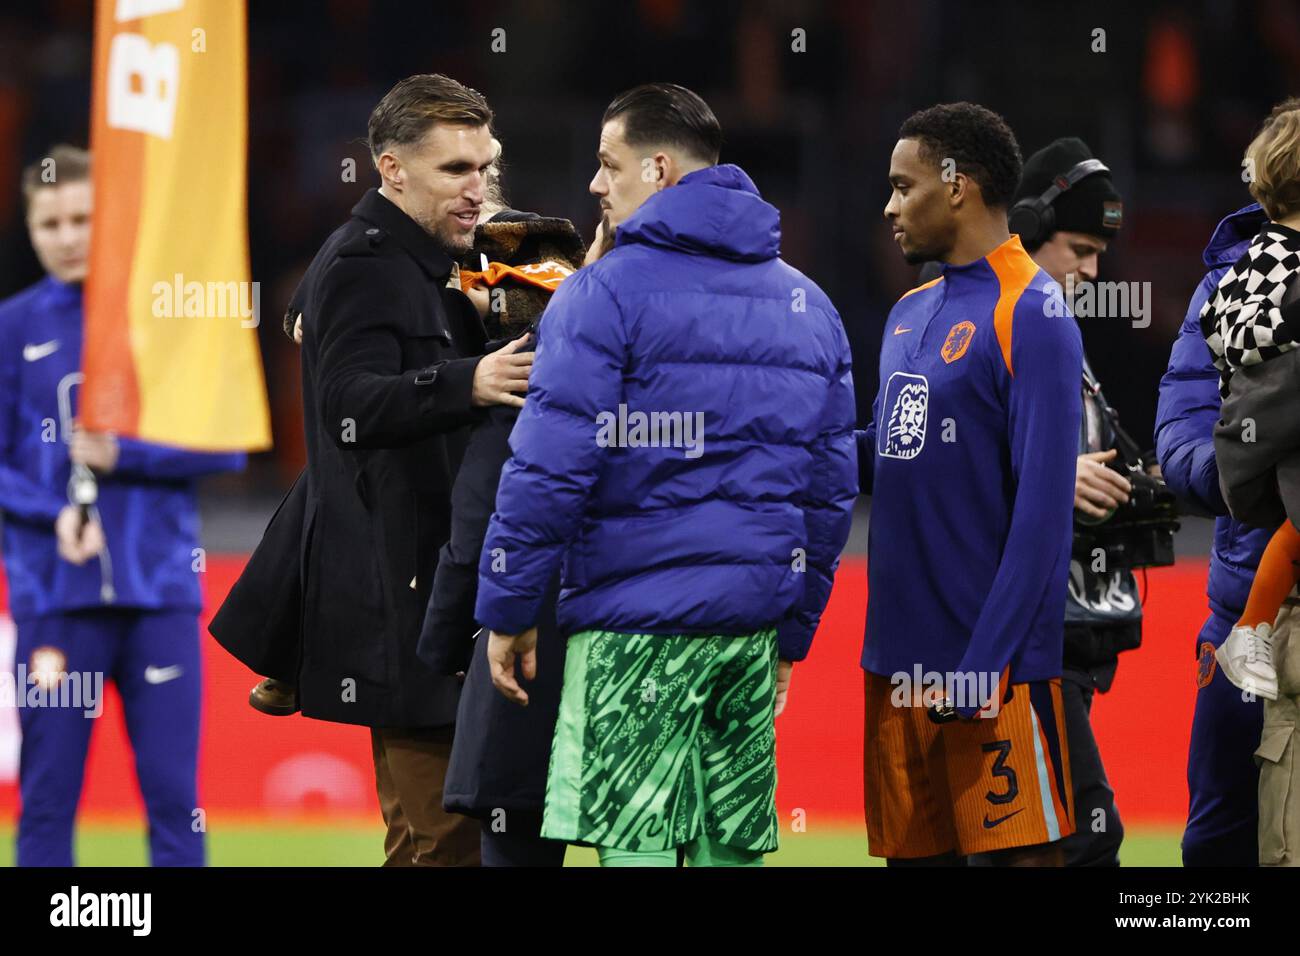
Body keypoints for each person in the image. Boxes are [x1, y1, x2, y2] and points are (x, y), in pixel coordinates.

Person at [475, 83, 857, 867]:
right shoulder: (809, 306)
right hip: (747, 635)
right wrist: (794, 631)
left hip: (632, 633)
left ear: (657, 168)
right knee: (725, 856)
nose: (595, 185)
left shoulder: (601, 293)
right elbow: (828, 491)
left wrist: (508, 610)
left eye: (608, 165)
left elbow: (549, 467)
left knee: (638, 853)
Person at [293, 74, 530, 866]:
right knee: (445, 841)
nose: (480, 187)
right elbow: (348, 405)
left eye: (486, 166)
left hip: (451, 584)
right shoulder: (367, 265)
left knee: (446, 838)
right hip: (407, 596)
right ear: (391, 170)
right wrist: (469, 381)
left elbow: (565, 305)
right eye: (455, 171)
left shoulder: (444, 259)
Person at [0, 145, 245, 866]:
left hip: (158, 594)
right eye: (51, 223)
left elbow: (224, 448)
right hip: (55, 595)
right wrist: (53, 514)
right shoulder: (12, 328)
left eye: (84, 219)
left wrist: (124, 455)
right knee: (46, 799)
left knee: (175, 798)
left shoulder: (162, 320)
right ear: (30, 228)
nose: (69, 236)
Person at [861, 103, 1081, 866]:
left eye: (902, 185)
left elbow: (1044, 520)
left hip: (995, 677)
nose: (889, 206)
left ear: (956, 187)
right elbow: (886, 454)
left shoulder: (1035, 311)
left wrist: (986, 664)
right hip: (894, 670)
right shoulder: (907, 312)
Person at [416, 146, 588, 868]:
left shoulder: (529, 269)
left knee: (506, 829)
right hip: (574, 603)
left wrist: (441, 640)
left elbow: (484, 510)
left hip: (516, 606)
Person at [1010, 137, 1132, 866]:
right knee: (1087, 840)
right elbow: (937, 468)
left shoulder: (1056, 329)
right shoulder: (994, 319)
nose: (1091, 271)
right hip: (1023, 641)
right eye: (1080, 249)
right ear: (1027, 227)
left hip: (1061, 637)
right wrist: (1058, 478)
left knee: (1025, 845)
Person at [1154, 215, 1272, 868]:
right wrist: (1244, 478)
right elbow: (1182, 424)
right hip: (1246, 617)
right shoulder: (1232, 285)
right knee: (1219, 850)